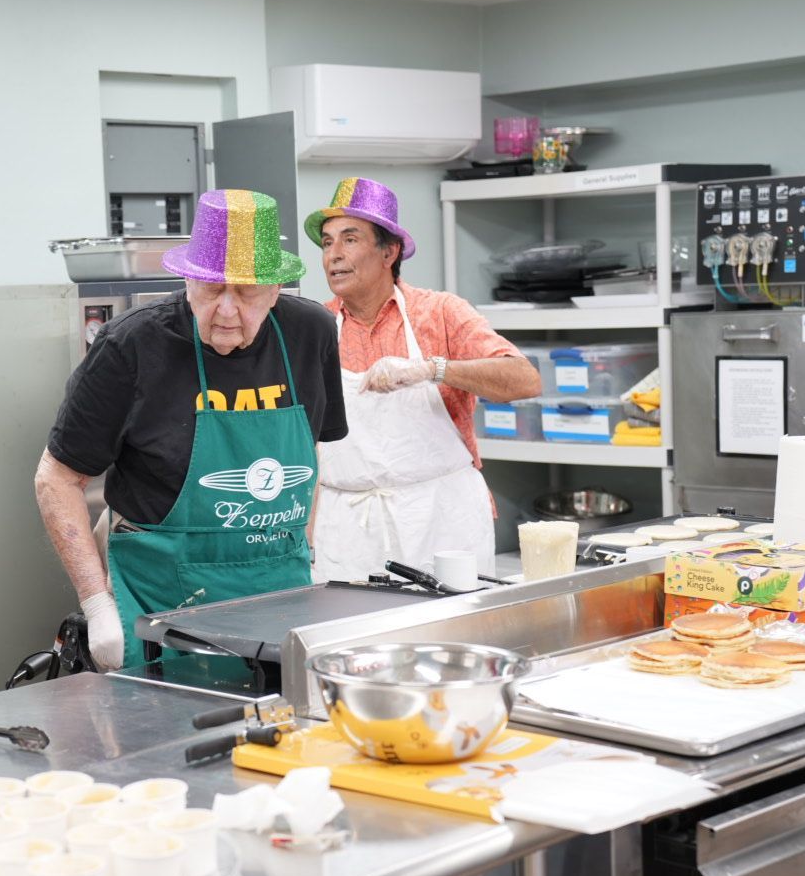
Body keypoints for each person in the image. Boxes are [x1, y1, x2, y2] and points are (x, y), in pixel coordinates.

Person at [35, 189, 347, 670]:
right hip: (163, 603)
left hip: (279, 593)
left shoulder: (312, 332)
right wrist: (97, 605)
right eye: (211, 288)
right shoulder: (132, 345)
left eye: (246, 292)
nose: (226, 310)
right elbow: (56, 479)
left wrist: (304, 548)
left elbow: (310, 454)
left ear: (275, 288)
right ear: (187, 278)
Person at [306, 177, 541, 582]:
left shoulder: (440, 313)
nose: (334, 255)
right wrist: (305, 534)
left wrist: (434, 369)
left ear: (389, 252)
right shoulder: (315, 326)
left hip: (440, 519)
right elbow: (304, 440)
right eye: (327, 243)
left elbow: (525, 379)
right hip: (347, 527)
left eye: (350, 239)